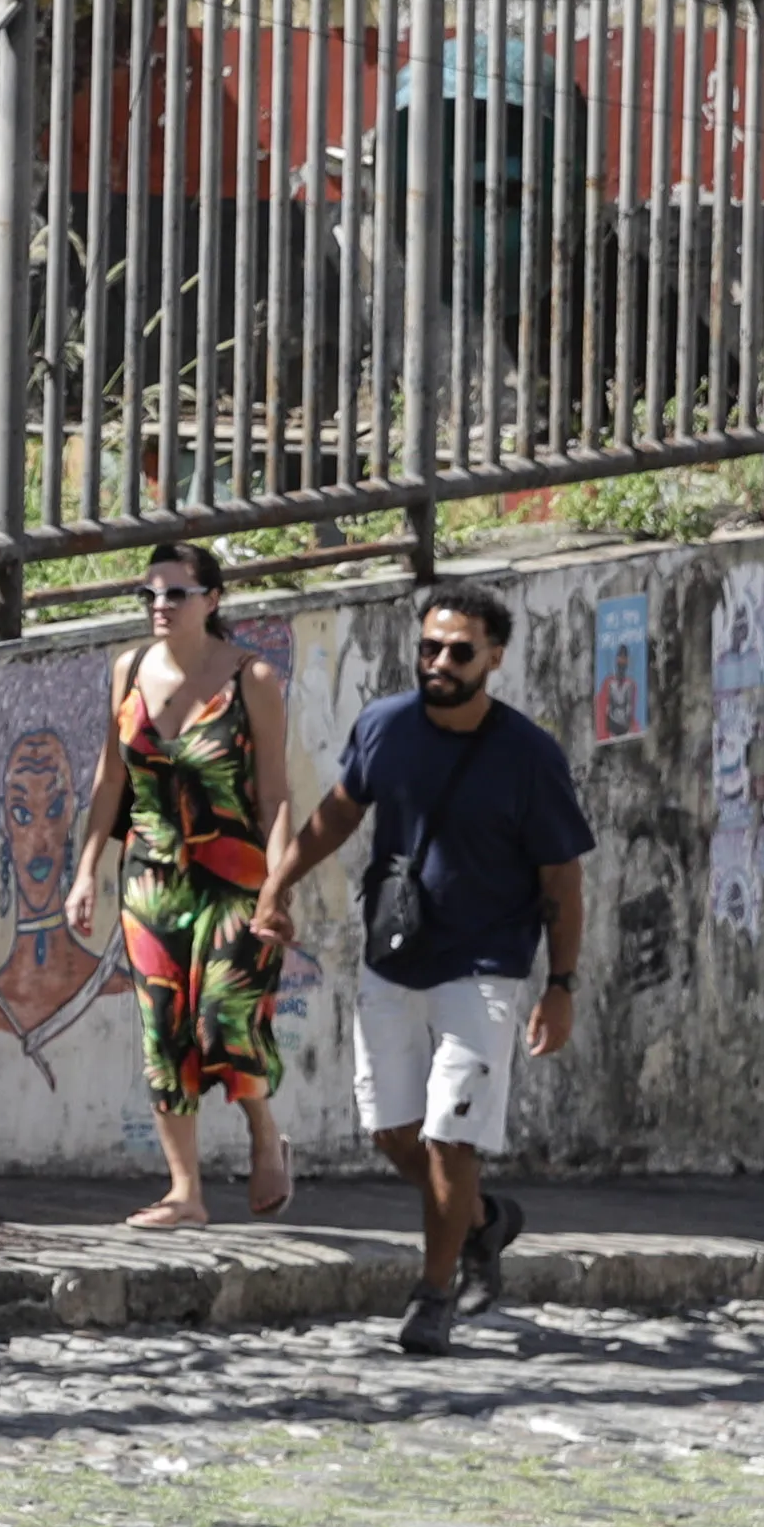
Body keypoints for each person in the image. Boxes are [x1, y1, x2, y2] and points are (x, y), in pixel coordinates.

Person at [270, 577, 592, 1355]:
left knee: (452, 1139)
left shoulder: (529, 756)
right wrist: (276, 885)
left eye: (458, 650)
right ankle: (483, 1222)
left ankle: (433, 1291)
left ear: (495, 657)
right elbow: (342, 810)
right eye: (429, 647)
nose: (439, 662)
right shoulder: (386, 725)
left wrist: (560, 986)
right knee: (392, 1133)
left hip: (485, 966)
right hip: (395, 956)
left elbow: (562, 879)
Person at [62, 544, 302, 1228]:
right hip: (151, 876)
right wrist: (84, 873)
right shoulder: (129, 670)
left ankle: (262, 1132)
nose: (160, 607)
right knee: (164, 1028)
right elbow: (112, 780)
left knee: (224, 1016)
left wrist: (278, 889)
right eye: (151, 596)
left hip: (235, 877)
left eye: (177, 594)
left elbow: (275, 793)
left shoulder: (250, 678)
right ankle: (184, 1192)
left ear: (213, 600)